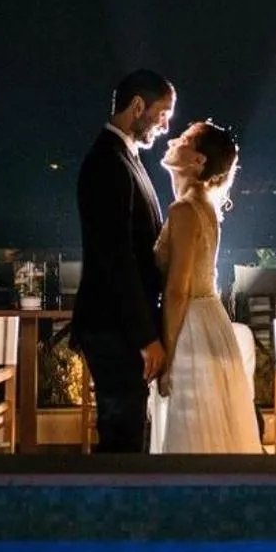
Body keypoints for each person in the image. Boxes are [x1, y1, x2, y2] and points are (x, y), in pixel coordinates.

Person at [72, 69, 176, 453]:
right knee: (121, 434)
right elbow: (116, 257)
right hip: (112, 328)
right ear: (137, 106)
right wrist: (145, 337)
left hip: (120, 326)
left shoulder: (125, 157)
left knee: (129, 428)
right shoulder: (107, 162)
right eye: (163, 112)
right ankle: (112, 509)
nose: (165, 125)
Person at [151, 120, 262, 454]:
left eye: (184, 138)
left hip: (191, 329)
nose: (172, 139)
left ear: (198, 160)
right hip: (211, 319)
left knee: (191, 424)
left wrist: (167, 357)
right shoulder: (204, 205)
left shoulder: (185, 209)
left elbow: (177, 290)